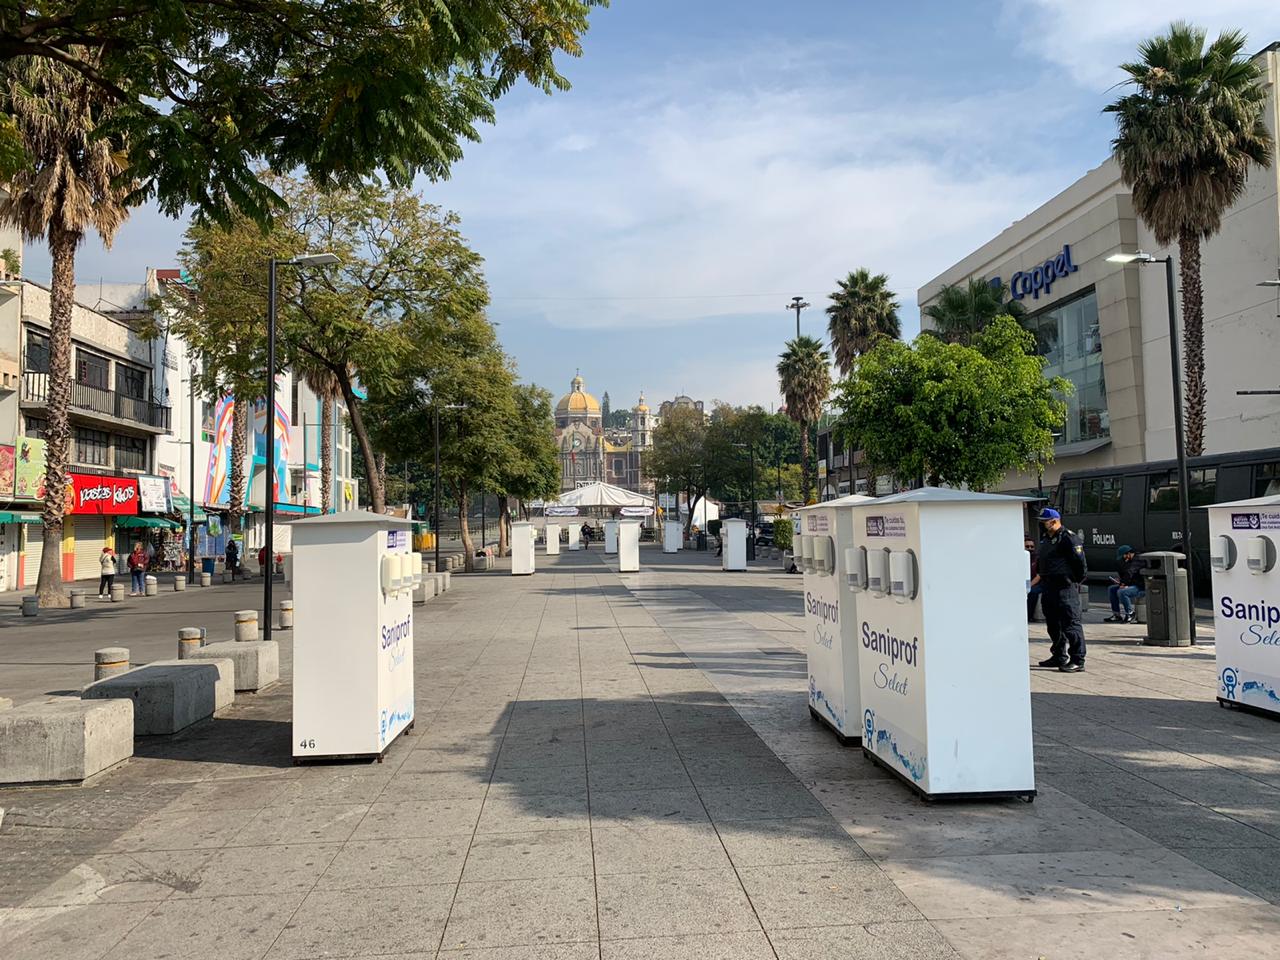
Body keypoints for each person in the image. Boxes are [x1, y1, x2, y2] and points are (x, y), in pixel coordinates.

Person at [1035, 508, 1087, 672]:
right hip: (1049, 586)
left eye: (1045, 521)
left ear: (1054, 521)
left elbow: (1080, 564)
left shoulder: (1069, 538)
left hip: (1064, 587)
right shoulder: (1046, 538)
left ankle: (1078, 659)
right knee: (1053, 624)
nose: (1042, 524)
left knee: (1071, 624)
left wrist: (1072, 581)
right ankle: (1059, 655)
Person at [1107, 545, 1146, 623]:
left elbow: (1130, 572)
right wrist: (1121, 581)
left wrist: (1123, 583)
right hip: (1134, 584)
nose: (1123, 558)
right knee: (1112, 589)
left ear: (1128, 553)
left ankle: (1130, 613)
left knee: (1122, 592)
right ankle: (1116, 615)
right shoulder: (1130, 560)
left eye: (1123, 556)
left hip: (1141, 586)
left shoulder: (1138, 559)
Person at [1025, 535, 1041, 622]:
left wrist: (1028, 586)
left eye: (1032, 546)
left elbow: (1038, 577)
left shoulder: (1037, 558)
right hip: (1024, 583)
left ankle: (1028, 616)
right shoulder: (1019, 558)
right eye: (1027, 546)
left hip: (1036, 584)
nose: (1030, 548)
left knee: (1032, 592)